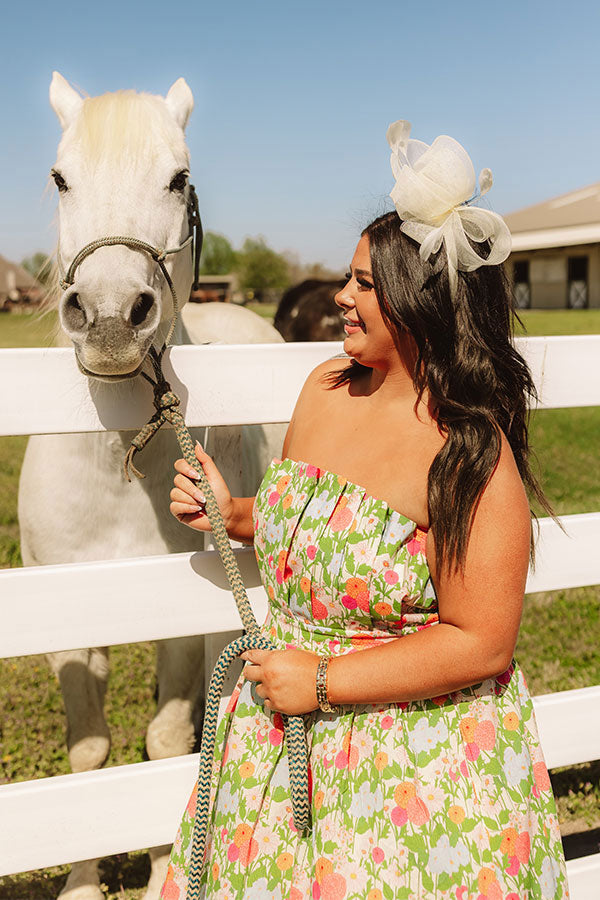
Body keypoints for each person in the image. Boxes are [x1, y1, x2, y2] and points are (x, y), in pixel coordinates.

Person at [161, 122, 568, 900]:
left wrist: (322, 680)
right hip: (281, 747)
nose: (339, 297)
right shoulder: (323, 390)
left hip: (411, 763)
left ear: (420, 300)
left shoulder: (469, 450)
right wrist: (237, 511)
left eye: (363, 284)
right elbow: (322, 527)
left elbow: (481, 643)